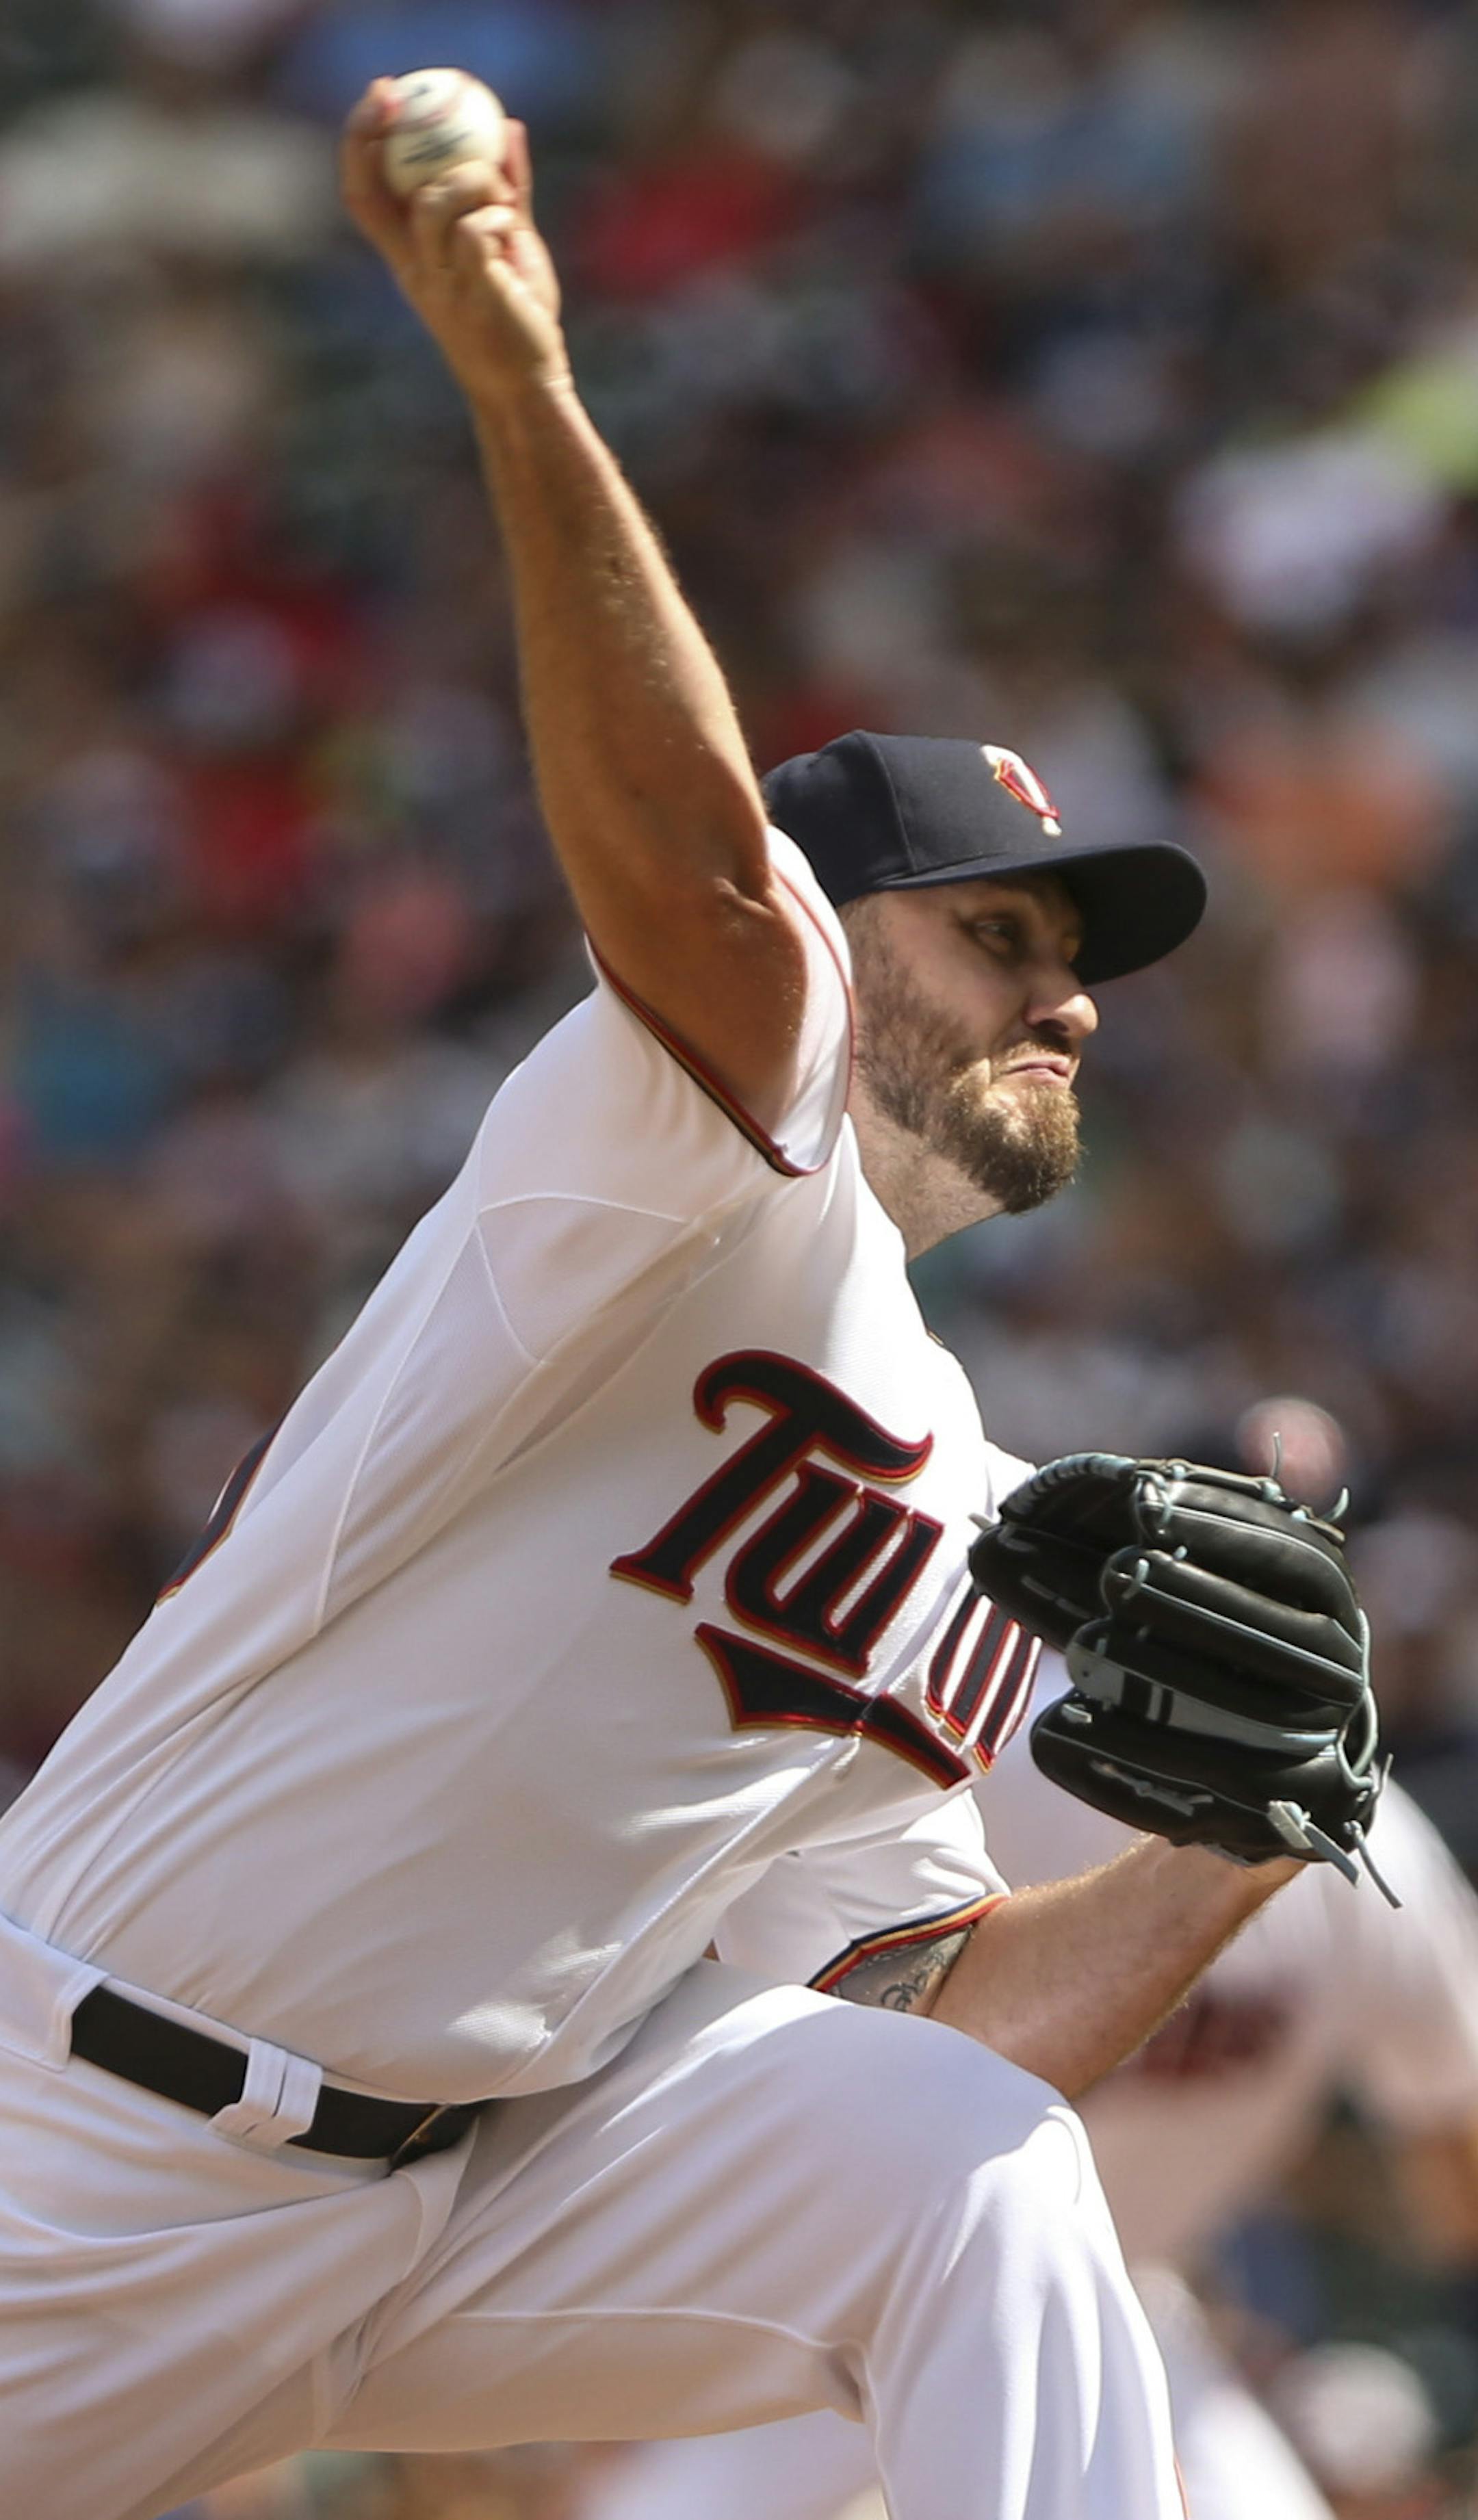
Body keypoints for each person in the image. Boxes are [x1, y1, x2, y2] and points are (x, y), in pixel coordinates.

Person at [0, 87, 1304, 2520]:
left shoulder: (986, 1500)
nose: (1074, 996)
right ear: (832, 937)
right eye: (1001, 932)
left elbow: (930, 2008)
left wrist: (1235, 1832)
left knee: (964, 2168)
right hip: (79, 2156)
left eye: (1076, 954)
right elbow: (701, 894)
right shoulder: (682, 1156)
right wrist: (523, 384)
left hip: (460, 2206)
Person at [574, 1678, 1478, 2520]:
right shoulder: (964, 1742)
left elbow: (1459, 2143)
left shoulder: (1358, 1843)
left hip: (1109, 2309)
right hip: (812, 2309)